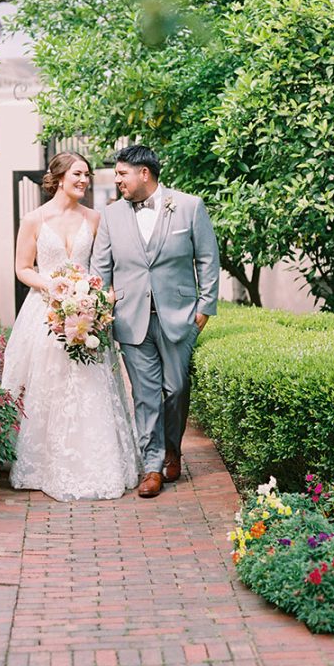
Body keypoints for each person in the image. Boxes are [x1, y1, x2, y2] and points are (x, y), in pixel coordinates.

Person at [1, 152, 140, 501]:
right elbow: (23, 267)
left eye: (88, 175)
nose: (84, 180)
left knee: (91, 385)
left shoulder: (95, 218)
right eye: (78, 174)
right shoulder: (33, 219)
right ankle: (45, 466)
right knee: (49, 386)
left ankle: (99, 464)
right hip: (45, 311)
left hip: (87, 312)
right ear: (59, 176)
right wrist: (52, 287)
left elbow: (103, 267)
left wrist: (94, 298)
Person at [91, 145, 219, 498]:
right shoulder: (111, 216)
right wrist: (98, 309)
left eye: (121, 174)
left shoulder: (189, 206)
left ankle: (173, 449)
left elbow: (207, 259)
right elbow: (99, 270)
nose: (117, 180)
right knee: (146, 396)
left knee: (175, 390)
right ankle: (152, 467)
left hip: (179, 317)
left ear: (143, 173)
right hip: (131, 320)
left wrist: (205, 307)